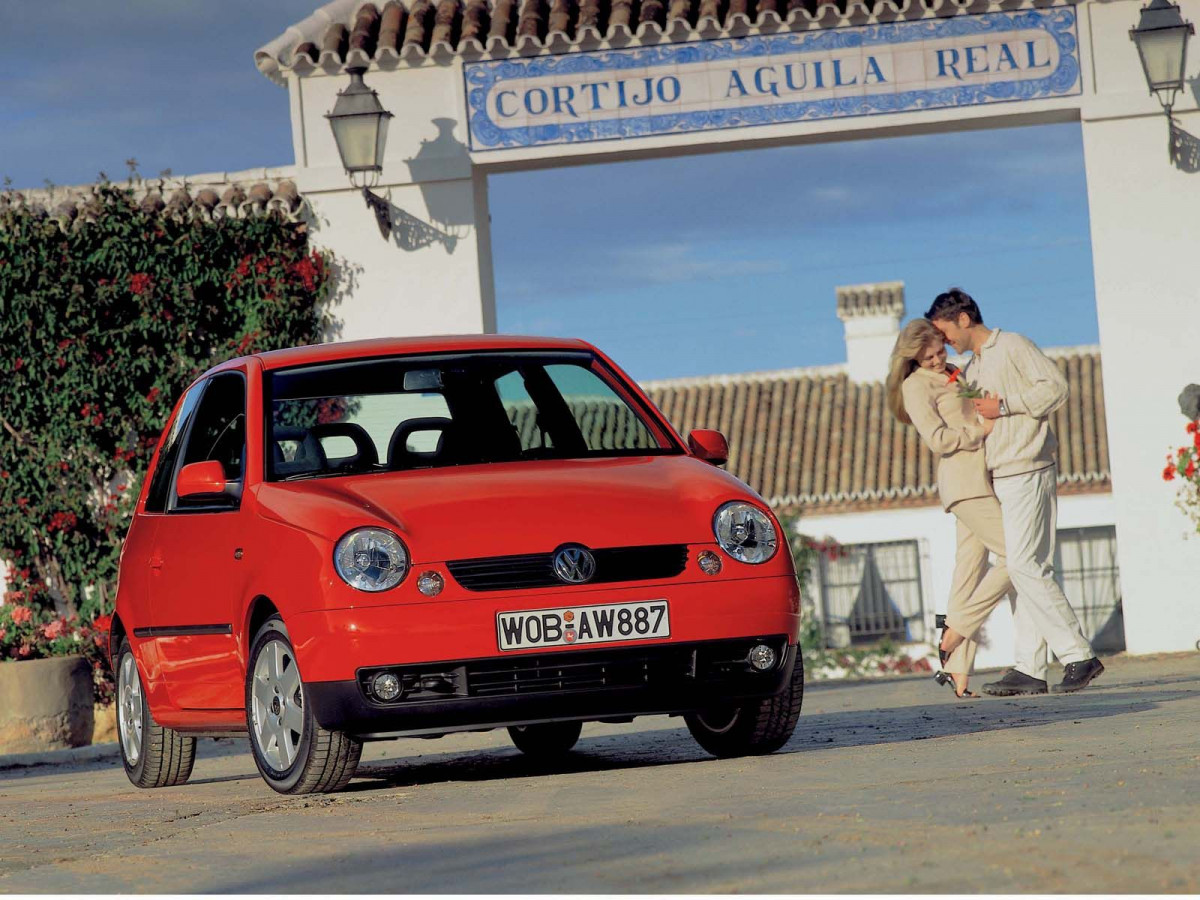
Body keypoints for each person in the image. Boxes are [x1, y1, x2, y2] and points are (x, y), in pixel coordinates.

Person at [925, 288, 1104, 695]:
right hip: (998, 475)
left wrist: (1005, 407)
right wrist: (952, 381)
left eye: (945, 330)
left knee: (1024, 566)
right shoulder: (971, 367)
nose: (945, 340)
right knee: (1025, 567)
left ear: (964, 319)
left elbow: (1056, 388)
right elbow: (976, 406)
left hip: (1028, 466)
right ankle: (1030, 668)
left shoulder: (1014, 345)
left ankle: (1078, 655)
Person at [886, 319, 1014, 698]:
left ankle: (957, 671)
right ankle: (956, 628)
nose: (939, 360)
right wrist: (981, 432)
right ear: (913, 358)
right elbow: (939, 440)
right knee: (1017, 554)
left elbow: (981, 404)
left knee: (968, 576)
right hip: (963, 483)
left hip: (985, 477)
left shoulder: (955, 373)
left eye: (941, 351)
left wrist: (997, 411)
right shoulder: (914, 386)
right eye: (929, 357)